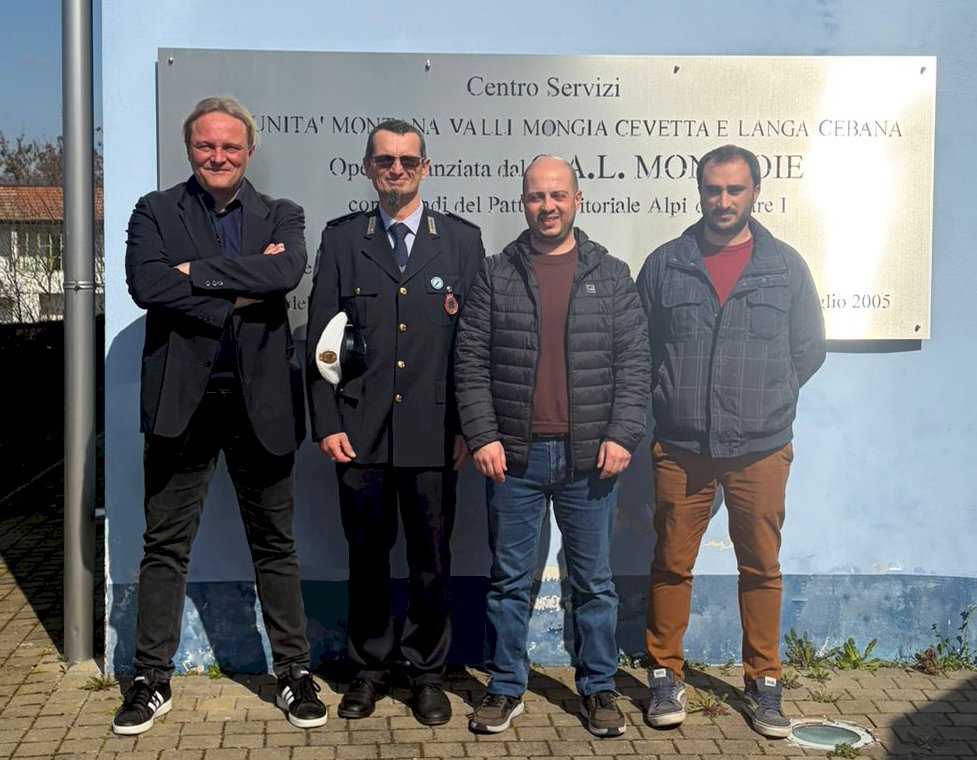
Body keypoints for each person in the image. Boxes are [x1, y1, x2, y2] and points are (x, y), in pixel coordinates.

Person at [115, 96, 327, 735]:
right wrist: (240, 287)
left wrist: (196, 275)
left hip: (262, 404)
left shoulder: (282, 213)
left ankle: (293, 671)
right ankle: (150, 678)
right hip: (182, 405)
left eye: (230, 146)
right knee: (164, 546)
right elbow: (147, 285)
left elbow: (286, 271)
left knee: (276, 545)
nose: (218, 156)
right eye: (206, 145)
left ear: (249, 152)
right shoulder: (154, 211)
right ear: (190, 149)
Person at [454, 155, 651, 737]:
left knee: (594, 584)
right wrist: (483, 435)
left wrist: (622, 434)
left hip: (589, 458)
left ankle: (599, 687)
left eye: (558, 195)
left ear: (577, 199)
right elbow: (470, 362)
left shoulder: (611, 275)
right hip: (514, 457)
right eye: (537, 196)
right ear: (524, 203)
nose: (548, 206)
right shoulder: (497, 274)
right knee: (510, 581)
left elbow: (635, 363)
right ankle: (505, 686)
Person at [636, 144, 825, 738]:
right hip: (682, 447)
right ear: (699, 193)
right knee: (671, 562)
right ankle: (665, 674)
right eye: (713, 189)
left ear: (755, 193)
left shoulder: (785, 266)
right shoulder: (666, 264)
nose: (723, 200)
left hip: (760, 448)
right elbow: (642, 349)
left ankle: (763, 682)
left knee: (761, 566)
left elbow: (808, 348)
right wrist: (668, 397)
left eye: (735, 189)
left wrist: (769, 396)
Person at [305, 119, 485, 726]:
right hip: (359, 432)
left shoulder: (460, 241)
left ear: (425, 168)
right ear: (368, 168)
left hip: (435, 433)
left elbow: (472, 346)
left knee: (431, 561)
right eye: (385, 160)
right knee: (367, 559)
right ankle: (369, 669)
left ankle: (427, 673)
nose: (397, 170)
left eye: (408, 160)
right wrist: (327, 421)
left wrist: (468, 427)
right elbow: (321, 341)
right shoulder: (342, 240)